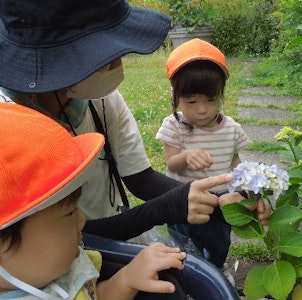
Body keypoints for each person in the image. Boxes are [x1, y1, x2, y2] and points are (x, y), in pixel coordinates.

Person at [0, 0, 270, 243]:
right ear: (60, 59)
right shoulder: (10, 126)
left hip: (116, 230)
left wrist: (221, 202)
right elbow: (52, 242)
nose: (118, 63)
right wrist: (163, 208)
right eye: (106, 54)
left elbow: (139, 178)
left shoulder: (99, 98)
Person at [0, 103, 187, 299]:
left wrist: (125, 280)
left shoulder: (54, 269)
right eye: (69, 213)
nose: (82, 221)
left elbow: (94, 295)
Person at [156, 38, 251, 285]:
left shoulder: (230, 128)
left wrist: (246, 185)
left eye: (211, 100)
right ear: (176, 97)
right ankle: (189, 275)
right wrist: (185, 157)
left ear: (221, 94)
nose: (202, 110)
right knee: (184, 243)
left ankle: (218, 267)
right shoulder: (173, 127)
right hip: (182, 199)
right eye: (192, 102)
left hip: (220, 201)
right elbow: (171, 164)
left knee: (220, 241)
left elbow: (236, 162)